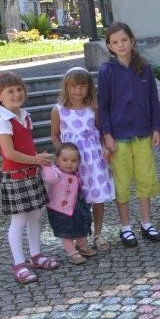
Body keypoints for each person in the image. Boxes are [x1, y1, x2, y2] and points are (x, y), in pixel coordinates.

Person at [97, 22, 160, 247]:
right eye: (115, 42)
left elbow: (153, 100)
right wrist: (106, 133)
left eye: (124, 40)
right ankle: (125, 227)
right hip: (119, 136)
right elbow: (103, 105)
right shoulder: (106, 71)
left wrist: (156, 127)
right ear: (109, 46)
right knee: (122, 182)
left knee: (145, 178)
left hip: (143, 133)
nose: (121, 45)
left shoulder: (144, 68)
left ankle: (147, 223)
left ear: (132, 40)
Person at [0, 71, 59, 284]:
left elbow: (27, 145)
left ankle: (36, 255)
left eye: (19, 89)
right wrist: (36, 159)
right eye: (10, 91)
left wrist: (38, 159)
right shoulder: (2, 121)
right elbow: (10, 154)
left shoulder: (24, 116)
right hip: (16, 177)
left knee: (36, 216)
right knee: (18, 220)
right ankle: (19, 264)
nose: (16, 94)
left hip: (31, 173)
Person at [51, 67, 115, 250]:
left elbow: (100, 132)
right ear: (66, 87)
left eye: (82, 86)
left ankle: (98, 234)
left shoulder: (93, 108)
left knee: (97, 197)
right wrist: (62, 155)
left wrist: (104, 148)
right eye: (74, 86)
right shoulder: (58, 110)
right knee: (76, 198)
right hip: (73, 163)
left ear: (89, 87)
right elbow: (55, 135)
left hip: (93, 160)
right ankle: (80, 235)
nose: (78, 90)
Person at [41, 143, 97, 264]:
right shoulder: (55, 172)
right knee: (66, 232)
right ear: (57, 160)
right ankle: (72, 253)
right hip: (59, 210)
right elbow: (50, 178)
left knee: (81, 225)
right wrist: (46, 165)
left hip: (76, 207)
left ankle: (81, 246)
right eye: (65, 160)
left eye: (73, 161)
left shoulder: (75, 172)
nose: (69, 163)